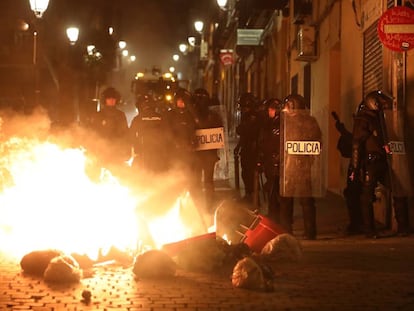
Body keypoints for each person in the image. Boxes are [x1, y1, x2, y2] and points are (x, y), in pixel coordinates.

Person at [350, 90, 410, 238]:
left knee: (369, 196)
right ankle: (402, 227)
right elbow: (358, 145)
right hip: (378, 161)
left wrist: (355, 168)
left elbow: (357, 145)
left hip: (377, 161)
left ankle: (371, 230)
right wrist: (356, 168)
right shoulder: (370, 119)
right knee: (396, 190)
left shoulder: (376, 118)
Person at [279, 94, 322, 240]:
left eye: (287, 105)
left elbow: (316, 144)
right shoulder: (309, 121)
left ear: (292, 106)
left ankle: (287, 231)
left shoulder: (287, 122)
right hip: (302, 165)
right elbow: (318, 141)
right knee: (305, 200)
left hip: (291, 165)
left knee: (288, 199)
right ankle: (310, 232)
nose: (284, 108)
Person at [332, 106, 363, 235]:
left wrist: (342, 129)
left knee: (354, 195)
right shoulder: (360, 130)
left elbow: (353, 141)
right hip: (355, 167)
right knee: (351, 194)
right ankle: (357, 224)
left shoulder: (364, 129)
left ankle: (358, 225)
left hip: (359, 167)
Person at [191, 88, 224, 212]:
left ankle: (205, 206)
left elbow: (218, 134)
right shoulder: (211, 116)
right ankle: (203, 206)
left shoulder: (212, 116)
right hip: (201, 154)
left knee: (205, 182)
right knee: (204, 182)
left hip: (205, 154)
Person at [88, 86, 129, 168]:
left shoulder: (120, 115)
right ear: (105, 100)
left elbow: (125, 133)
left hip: (116, 150)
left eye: (113, 98)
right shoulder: (98, 115)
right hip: (101, 151)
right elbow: (93, 133)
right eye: (109, 98)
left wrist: (126, 149)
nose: (111, 100)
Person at [257, 98, 282, 223]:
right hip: (270, 162)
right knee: (272, 189)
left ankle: (274, 216)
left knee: (274, 190)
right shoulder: (270, 123)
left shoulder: (277, 125)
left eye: (270, 109)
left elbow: (271, 143)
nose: (269, 111)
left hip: (274, 162)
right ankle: (274, 214)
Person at [129, 92, 168, 174]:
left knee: (144, 172)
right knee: (157, 172)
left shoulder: (137, 119)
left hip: (145, 150)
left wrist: (136, 146)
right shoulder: (160, 117)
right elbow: (167, 133)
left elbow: (131, 134)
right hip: (156, 151)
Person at [234, 93, 261, 202]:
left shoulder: (254, 117)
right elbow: (243, 135)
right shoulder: (246, 116)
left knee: (252, 174)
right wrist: (238, 146)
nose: (242, 109)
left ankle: (254, 197)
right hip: (246, 149)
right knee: (245, 173)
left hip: (253, 150)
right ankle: (249, 194)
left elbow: (246, 131)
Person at [165, 87, 197, 174]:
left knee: (189, 173)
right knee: (175, 171)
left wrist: (192, 143)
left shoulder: (191, 115)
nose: (181, 102)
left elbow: (195, 129)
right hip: (174, 150)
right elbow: (167, 131)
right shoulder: (170, 114)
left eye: (184, 100)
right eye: (179, 100)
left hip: (189, 151)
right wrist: (175, 142)